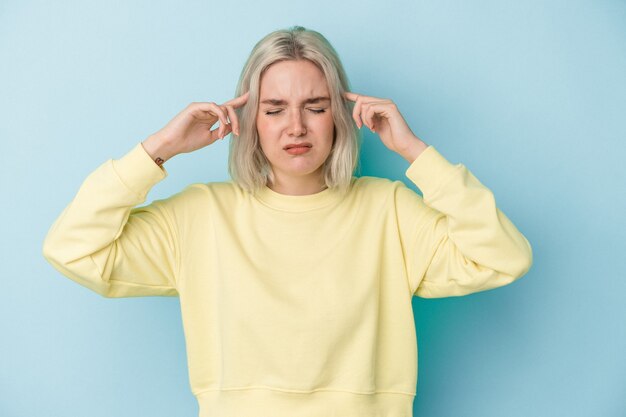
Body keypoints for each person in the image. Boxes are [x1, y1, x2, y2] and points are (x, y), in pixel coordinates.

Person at [42, 25, 533, 417]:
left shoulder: (389, 211)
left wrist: (413, 150)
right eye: (275, 109)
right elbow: (72, 248)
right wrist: (159, 149)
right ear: (249, 118)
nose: (296, 127)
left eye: (315, 107)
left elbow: (504, 256)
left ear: (340, 116)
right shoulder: (200, 216)